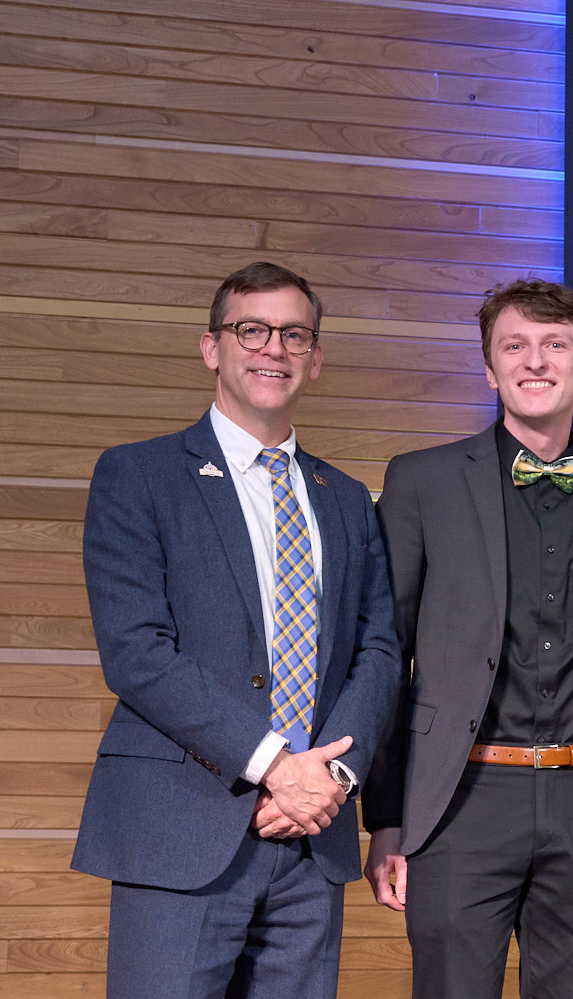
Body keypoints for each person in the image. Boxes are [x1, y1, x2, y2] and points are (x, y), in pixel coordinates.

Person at [73, 261, 401, 998]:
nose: (273, 348)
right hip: (182, 830)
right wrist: (276, 765)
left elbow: (378, 650)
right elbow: (136, 652)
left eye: (293, 334)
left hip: (312, 838)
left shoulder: (347, 498)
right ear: (211, 348)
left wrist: (330, 779)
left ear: (314, 357)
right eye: (251, 330)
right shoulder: (139, 475)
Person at [362, 279, 573, 999]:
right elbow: (383, 654)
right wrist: (387, 818)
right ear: (490, 366)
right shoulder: (422, 481)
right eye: (515, 345)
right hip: (460, 800)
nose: (535, 361)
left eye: (556, 345)